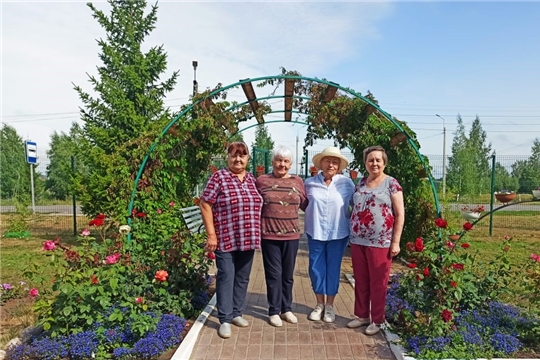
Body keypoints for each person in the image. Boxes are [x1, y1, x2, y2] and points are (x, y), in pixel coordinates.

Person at [199, 142, 263, 339]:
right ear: (228, 157)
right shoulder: (219, 177)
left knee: (243, 277)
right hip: (226, 238)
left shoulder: (252, 179)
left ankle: (237, 313)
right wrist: (211, 234)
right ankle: (225, 319)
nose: (238, 159)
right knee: (227, 275)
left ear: (247, 158)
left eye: (242, 156)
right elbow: (205, 203)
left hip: (248, 237)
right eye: (234, 155)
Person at [347, 145, 405, 335]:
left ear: (384, 162)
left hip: (380, 242)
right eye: (370, 160)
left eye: (378, 160)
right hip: (358, 241)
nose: (374, 163)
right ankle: (362, 316)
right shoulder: (361, 183)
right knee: (361, 280)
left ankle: (377, 319)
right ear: (365, 163)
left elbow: (400, 214)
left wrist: (396, 242)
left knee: (378, 282)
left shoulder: (391, 183)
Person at [255, 146, 307, 327]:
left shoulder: (298, 181)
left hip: (292, 235)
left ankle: (287, 309)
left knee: (288, 275)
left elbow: (306, 204)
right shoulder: (262, 180)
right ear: (273, 161)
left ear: (291, 164)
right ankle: (273, 311)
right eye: (278, 160)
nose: (282, 164)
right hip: (269, 235)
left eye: (286, 161)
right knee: (274, 274)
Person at [304, 146, 354, 323]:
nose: (331, 164)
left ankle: (330, 306)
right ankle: (319, 304)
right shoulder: (309, 183)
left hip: (338, 233)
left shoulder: (347, 184)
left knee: (333, 269)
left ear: (339, 166)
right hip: (315, 231)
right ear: (321, 163)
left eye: (335, 162)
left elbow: (355, 204)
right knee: (316, 269)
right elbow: (303, 203)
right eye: (327, 161)